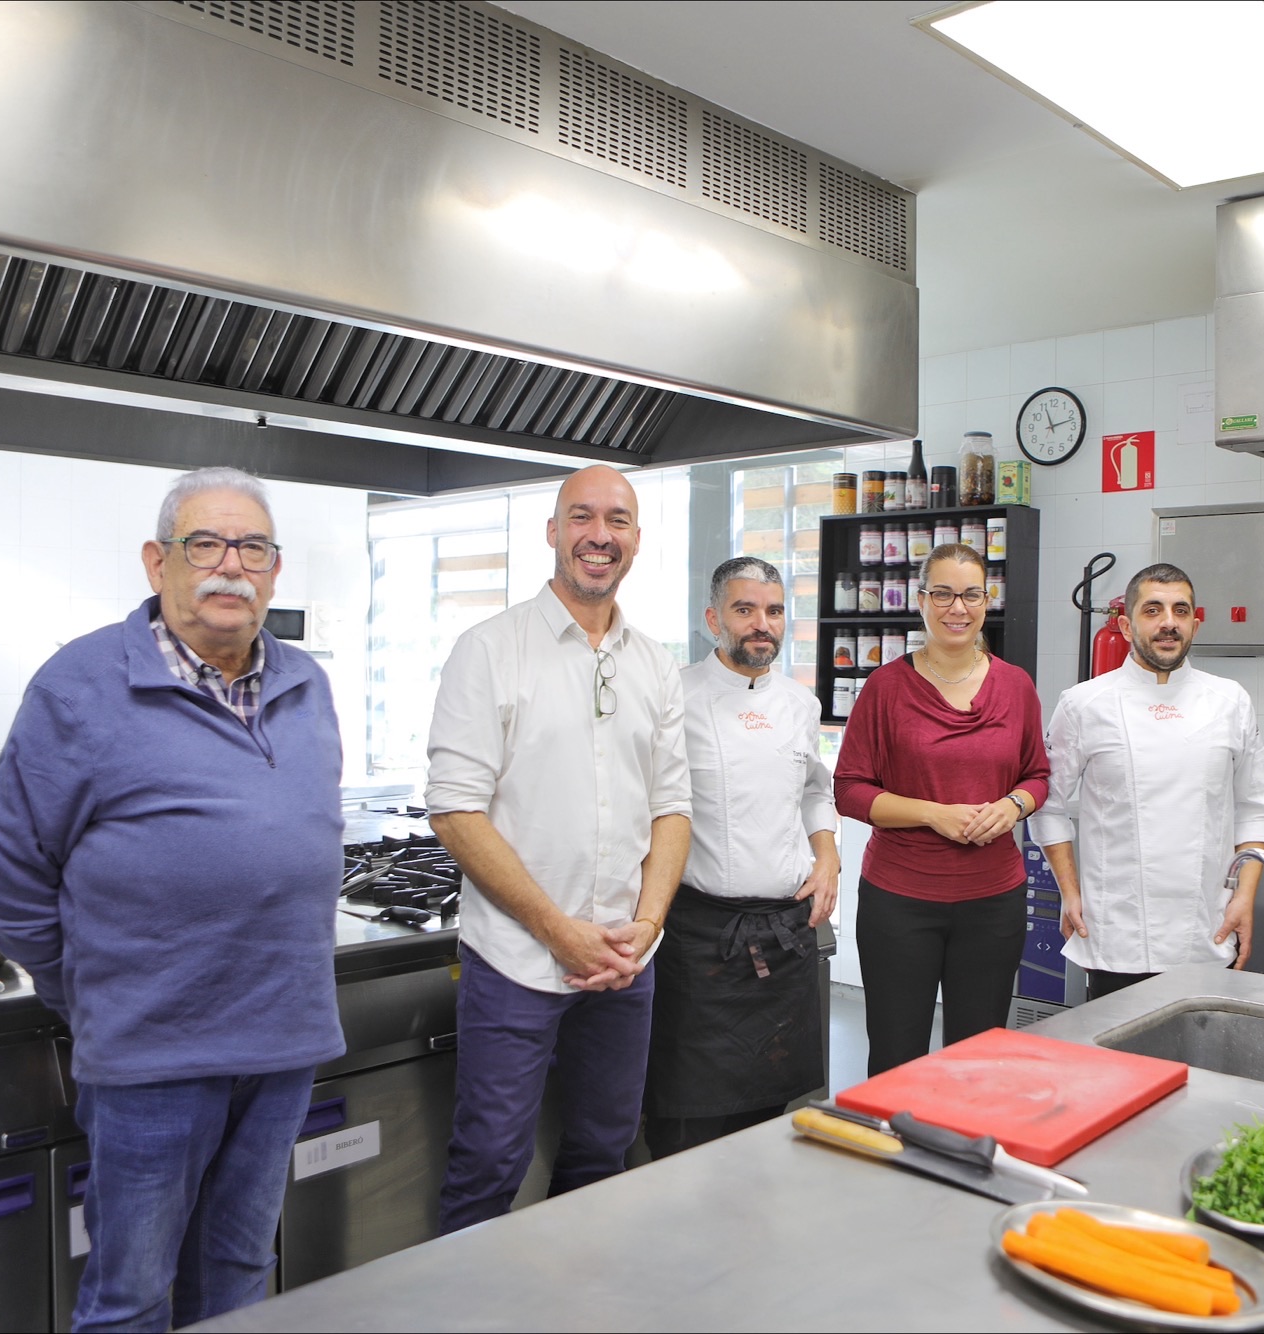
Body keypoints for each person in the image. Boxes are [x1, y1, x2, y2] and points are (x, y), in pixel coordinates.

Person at [0, 467, 345, 1333]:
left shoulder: (306, 684)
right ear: (158, 562)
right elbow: (13, 880)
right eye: (206, 544)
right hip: (151, 1054)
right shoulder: (79, 685)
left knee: (241, 1269)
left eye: (253, 547)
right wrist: (100, 994)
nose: (231, 567)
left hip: (283, 1041)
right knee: (132, 1294)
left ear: (275, 569)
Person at [425, 463, 692, 1232]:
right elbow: (455, 809)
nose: (599, 535)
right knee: (489, 1165)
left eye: (617, 520)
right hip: (517, 961)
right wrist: (557, 930)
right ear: (552, 532)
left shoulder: (652, 664)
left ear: (636, 540)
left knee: (605, 1156)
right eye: (581, 517)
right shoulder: (489, 650)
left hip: (623, 961)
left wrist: (645, 925)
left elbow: (672, 807)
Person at [645, 557, 839, 1158]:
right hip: (700, 938)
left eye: (774, 611)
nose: (763, 624)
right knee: (689, 1113)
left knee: (774, 1115)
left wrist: (828, 857)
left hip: (786, 935)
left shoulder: (800, 705)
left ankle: (754, 1231)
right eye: (745, 609)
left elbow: (814, 791)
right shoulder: (672, 696)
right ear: (713, 619)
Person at [834, 543, 1050, 1074]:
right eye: (944, 594)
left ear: (987, 600)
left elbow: (1038, 775)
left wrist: (1014, 805)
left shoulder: (1016, 685)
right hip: (899, 902)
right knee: (895, 1053)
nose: (959, 608)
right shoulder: (885, 688)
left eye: (972, 594)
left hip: (993, 902)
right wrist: (934, 813)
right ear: (923, 600)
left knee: (979, 1058)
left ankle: (965, 1155)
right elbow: (850, 790)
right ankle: (892, 1152)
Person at [1036, 562, 1264, 1001]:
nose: (1169, 623)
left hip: (1207, 926)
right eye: (1153, 610)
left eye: (1180, 611)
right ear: (1127, 626)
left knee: (1200, 1067)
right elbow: (1048, 803)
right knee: (1122, 1067)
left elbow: (1255, 809)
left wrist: (1245, 896)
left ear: (1195, 624)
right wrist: (1068, 890)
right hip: (1118, 932)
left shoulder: (1230, 701)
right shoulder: (1084, 703)